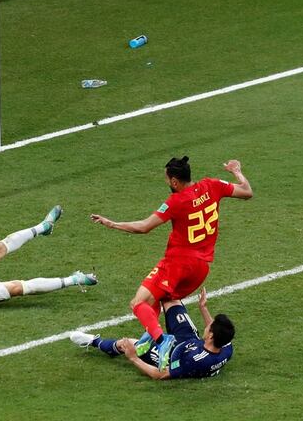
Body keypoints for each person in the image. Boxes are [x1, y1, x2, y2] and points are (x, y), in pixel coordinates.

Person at [90, 157, 252, 369]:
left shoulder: (176, 202)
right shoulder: (212, 185)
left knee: (138, 303)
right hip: (200, 269)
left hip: (178, 264)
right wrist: (236, 171)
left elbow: (144, 227)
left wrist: (112, 224)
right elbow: (247, 191)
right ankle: (150, 334)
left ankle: (161, 339)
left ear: (175, 181)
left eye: (167, 179)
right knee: (162, 297)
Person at [70, 287, 234, 380]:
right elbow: (215, 330)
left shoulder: (194, 361)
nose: (208, 325)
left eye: (210, 327)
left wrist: (133, 357)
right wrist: (203, 308)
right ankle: (152, 319)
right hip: (189, 339)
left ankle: (95, 342)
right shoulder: (226, 347)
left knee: (127, 344)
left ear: (211, 336)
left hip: (171, 354)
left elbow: (160, 374)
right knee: (169, 296)